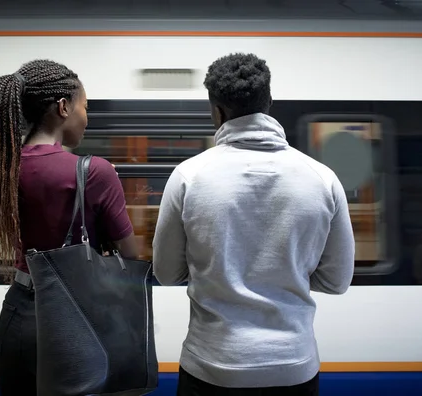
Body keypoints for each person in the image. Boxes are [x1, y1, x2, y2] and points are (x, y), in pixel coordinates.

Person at [152, 53, 355, 395]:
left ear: (216, 111)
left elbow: (166, 272)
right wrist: (288, 270)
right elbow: (336, 282)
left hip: (212, 367)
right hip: (294, 368)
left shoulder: (188, 176)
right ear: (268, 104)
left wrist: (215, 269)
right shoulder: (322, 179)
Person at [0, 59, 139, 395]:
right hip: (73, 319)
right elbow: (131, 255)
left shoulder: (2, 168)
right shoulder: (95, 171)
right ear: (64, 107)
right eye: (85, 107)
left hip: (16, 317)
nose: (87, 118)